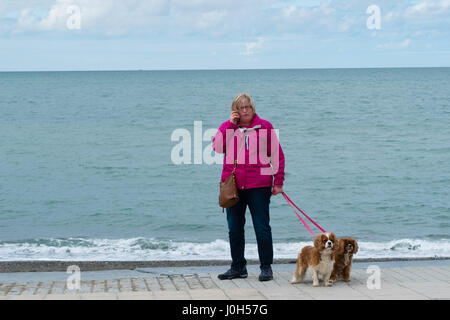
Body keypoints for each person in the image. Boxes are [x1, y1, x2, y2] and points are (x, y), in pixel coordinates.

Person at [212, 93, 285, 281]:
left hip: (258, 186)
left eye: (248, 107)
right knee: (234, 228)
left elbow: (277, 156)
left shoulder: (265, 127)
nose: (245, 111)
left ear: (253, 108)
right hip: (233, 186)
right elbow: (217, 148)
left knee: (262, 228)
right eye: (241, 108)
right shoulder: (227, 127)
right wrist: (230, 125)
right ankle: (238, 267)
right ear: (235, 110)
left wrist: (278, 182)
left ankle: (266, 268)